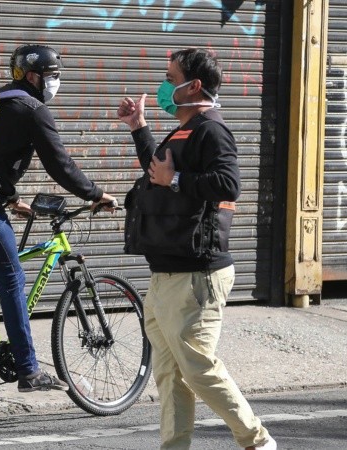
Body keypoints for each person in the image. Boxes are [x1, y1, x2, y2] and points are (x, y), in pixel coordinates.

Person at [0, 44, 117, 392]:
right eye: (52, 75)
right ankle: (29, 371)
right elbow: (60, 165)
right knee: (12, 277)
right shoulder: (32, 110)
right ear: (32, 76)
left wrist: (12, 199)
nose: (56, 82)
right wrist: (95, 194)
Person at [116, 48, 277, 450]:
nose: (165, 86)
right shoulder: (185, 129)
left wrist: (176, 181)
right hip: (167, 273)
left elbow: (228, 184)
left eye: (172, 78)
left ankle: (257, 442)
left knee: (198, 369)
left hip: (197, 273)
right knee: (170, 373)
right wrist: (140, 128)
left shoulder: (212, 130)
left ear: (195, 86)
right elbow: (159, 170)